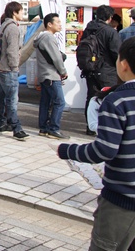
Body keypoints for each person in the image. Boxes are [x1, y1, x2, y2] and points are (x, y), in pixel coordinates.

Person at [56, 36, 135, 251]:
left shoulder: (117, 100)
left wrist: (68, 150)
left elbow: (104, 149)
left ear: (124, 64)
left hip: (121, 202)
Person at [81, 5, 120, 136]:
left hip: (89, 68)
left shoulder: (88, 29)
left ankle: (90, 126)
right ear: (110, 18)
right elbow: (116, 53)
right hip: (107, 70)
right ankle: (104, 126)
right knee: (107, 98)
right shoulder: (110, 32)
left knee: (91, 97)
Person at [0, 1, 29, 141]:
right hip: (8, 68)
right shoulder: (13, 28)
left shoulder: (4, 25)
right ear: (14, 12)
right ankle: (16, 128)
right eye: (21, 11)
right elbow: (12, 51)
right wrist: (15, 67)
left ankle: (0, 123)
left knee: (1, 97)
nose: (22, 14)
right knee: (12, 99)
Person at [34, 13, 69, 140]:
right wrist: (63, 71)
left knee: (45, 102)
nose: (60, 24)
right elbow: (56, 58)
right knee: (59, 102)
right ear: (49, 24)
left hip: (44, 75)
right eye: (58, 22)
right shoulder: (48, 37)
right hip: (51, 75)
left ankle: (44, 128)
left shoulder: (41, 37)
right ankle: (53, 129)